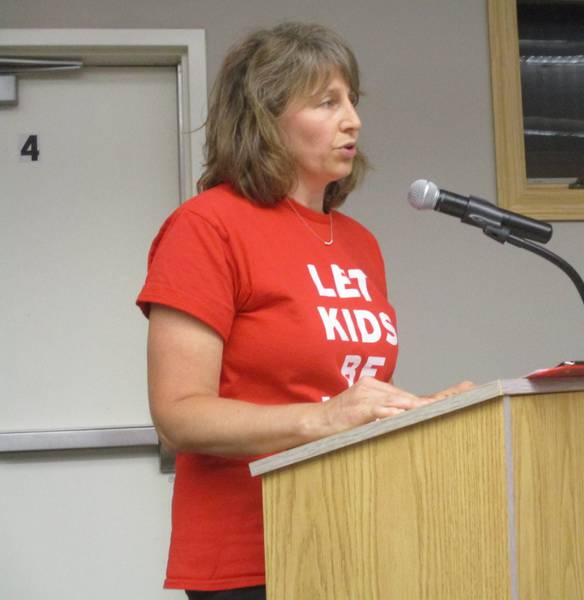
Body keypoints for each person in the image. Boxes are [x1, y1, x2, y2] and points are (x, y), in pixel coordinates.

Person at [136, 23, 470, 599]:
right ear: (265, 117)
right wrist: (324, 417)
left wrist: (415, 410)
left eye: (352, 101)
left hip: (357, 533)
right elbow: (179, 415)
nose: (353, 121)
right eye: (327, 102)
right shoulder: (207, 227)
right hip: (251, 554)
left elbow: (343, 393)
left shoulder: (359, 243)